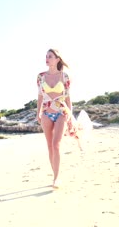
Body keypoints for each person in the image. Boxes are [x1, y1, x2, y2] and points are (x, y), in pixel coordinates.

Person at [36, 49, 79, 189]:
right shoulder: (40, 77)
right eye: (46, 57)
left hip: (61, 112)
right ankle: (54, 174)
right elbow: (40, 96)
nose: (47, 59)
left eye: (50, 56)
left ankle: (57, 178)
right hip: (46, 113)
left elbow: (68, 98)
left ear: (57, 59)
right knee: (49, 146)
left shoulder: (64, 76)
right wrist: (38, 113)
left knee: (56, 145)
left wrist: (70, 115)